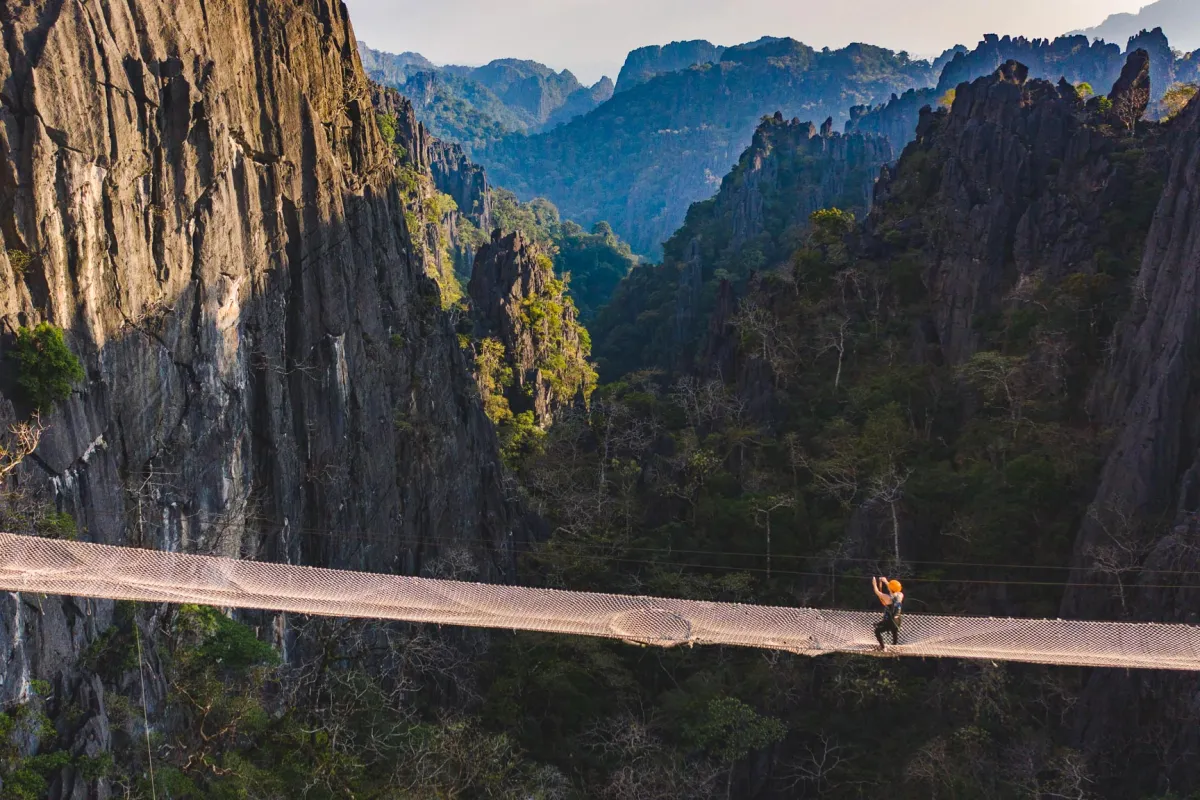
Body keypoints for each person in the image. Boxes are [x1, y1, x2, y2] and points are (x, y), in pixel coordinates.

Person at [871, 576, 903, 651]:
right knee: (894, 631)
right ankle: (895, 646)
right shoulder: (901, 595)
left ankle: (883, 647)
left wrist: (874, 584)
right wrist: (886, 582)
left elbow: (877, 592)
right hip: (898, 621)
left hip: (890, 621)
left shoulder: (886, 598)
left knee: (877, 631)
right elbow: (893, 590)